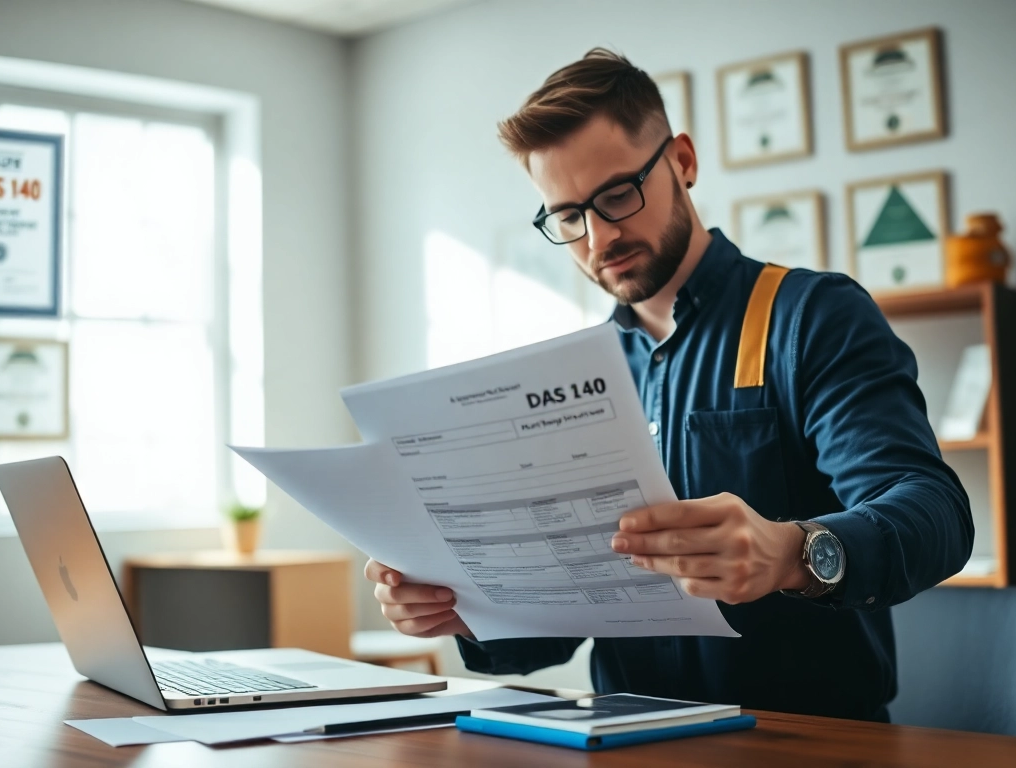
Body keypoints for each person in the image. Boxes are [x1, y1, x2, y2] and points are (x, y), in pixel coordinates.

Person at [364, 48, 973, 722]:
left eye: (617, 195)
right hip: (623, 735)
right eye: (568, 217)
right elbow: (565, 618)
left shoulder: (812, 317)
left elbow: (936, 514)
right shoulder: (577, 378)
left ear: (682, 161)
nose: (599, 237)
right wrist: (463, 611)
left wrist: (792, 554)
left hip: (805, 740)